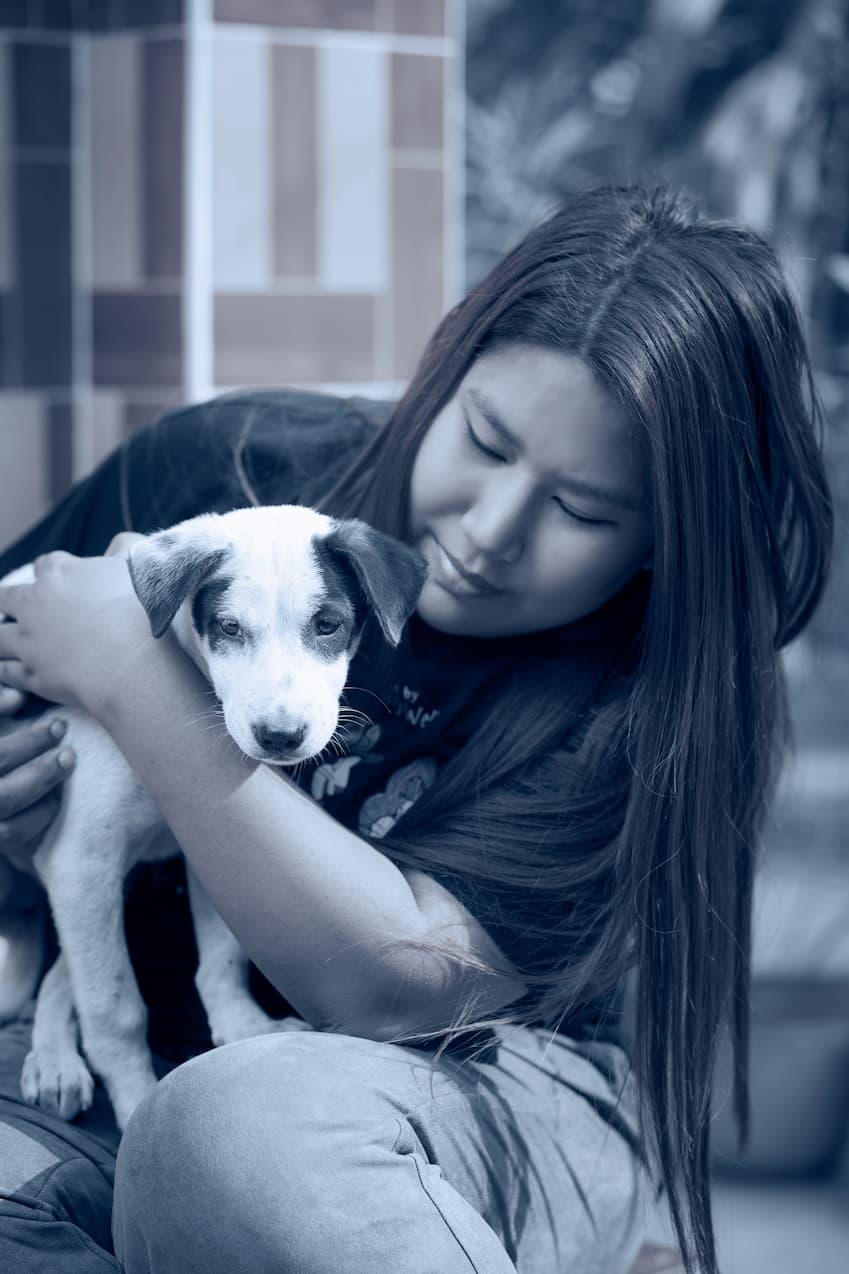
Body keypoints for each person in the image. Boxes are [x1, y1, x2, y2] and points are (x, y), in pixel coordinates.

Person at [0, 185, 833, 1274]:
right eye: (485, 440)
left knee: (236, 1135)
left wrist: (133, 678)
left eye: (581, 510)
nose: (489, 533)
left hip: (479, 1079)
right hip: (136, 1036)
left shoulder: (642, 694)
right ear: (442, 375)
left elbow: (393, 985)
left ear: (659, 548)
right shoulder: (228, 472)